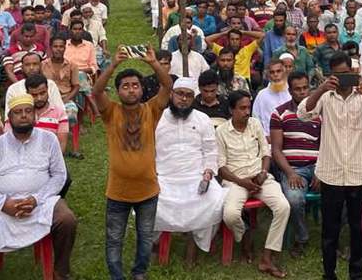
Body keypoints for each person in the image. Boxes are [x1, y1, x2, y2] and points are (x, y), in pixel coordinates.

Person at [0, 94, 76, 280]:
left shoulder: (49, 140)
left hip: (41, 203)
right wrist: (4, 203)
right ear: (9, 117)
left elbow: (59, 176)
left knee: (67, 220)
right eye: (18, 112)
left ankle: (60, 273)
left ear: (35, 115)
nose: (23, 116)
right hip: (2, 208)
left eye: (28, 111)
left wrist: (36, 199)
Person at [298, 52, 362, 280]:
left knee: (358, 228)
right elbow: (303, 114)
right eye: (337, 75)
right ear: (330, 75)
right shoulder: (326, 98)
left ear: (353, 72)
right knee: (330, 230)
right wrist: (320, 89)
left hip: (357, 173)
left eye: (345, 74)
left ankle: (356, 274)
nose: (341, 79)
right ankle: (329, 274)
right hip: (331, 173)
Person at [93, 45, 171, 280]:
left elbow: (168, 86)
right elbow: (96, 92)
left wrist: (153, 63)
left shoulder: (152, 110)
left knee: (145, 237)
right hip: (117, 192)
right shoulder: (111, 112)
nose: (131, 90)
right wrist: (113, 64)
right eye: (125, 86)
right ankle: (117, 276)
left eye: (135, 85)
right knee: (114, 238)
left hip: (148, 190)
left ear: (142, 89)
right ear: (118, 92)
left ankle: (139, 272)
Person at [152, 77, 226, 269]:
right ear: (171, 94)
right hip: (164, 176)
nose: (183, 99)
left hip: (196, 176)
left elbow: (211, 150)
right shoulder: (157, 118)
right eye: (180, 94)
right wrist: (153, 176)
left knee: (215, 198)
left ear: (194, 98)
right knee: (152, 201)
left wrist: (208, 172)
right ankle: (155, 242)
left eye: (188, 96)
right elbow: (148, 151)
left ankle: (194, 246)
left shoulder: (202, 119)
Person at [216, 90, 290, 278]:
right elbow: (221, 167)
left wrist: (263, 174)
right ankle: (244, 234)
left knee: (283, 207)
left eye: (248, 107)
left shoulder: (255, 124)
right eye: (242, 108)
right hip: (236, 181)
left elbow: (267, 153)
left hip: (260, 179)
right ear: (232, 110)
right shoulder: (221, 132)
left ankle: (267, 256)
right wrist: (242, 182)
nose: (247, 112)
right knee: (231, 215)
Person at [270, 70, 321, 258]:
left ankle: (333, 239)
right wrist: (290, 173)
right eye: (297, 89)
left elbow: (327, 145)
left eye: (305, 88)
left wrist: (322, 171)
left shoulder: (319, 112)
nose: (302, 92)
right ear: (290, 91)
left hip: (318, 167)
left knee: (343, 192)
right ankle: (302, 238)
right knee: (294, 199)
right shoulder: (279, 113)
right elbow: (276, 149)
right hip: (293, 168)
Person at [252, 59, 291, 138]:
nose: (275, 75)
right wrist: (264, 137)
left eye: (278, 71)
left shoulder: (292, 92)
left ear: (284, 72)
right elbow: (256, 120)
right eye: (272, 72)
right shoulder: (261, 95)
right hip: (268, 141)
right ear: (268, 75)